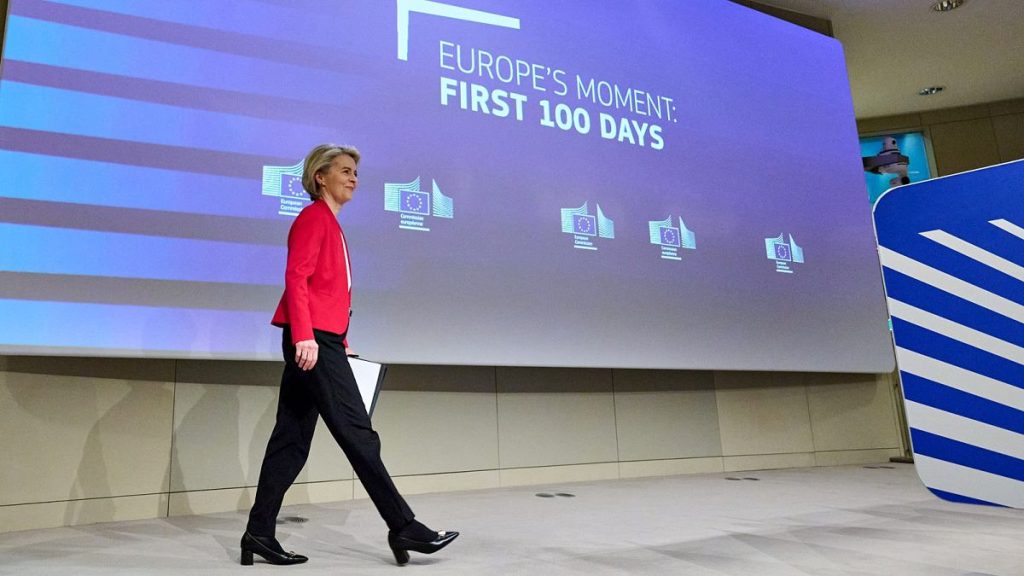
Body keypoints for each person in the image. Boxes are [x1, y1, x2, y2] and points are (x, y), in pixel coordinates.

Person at [241, 144, 458, 566]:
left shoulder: (330, 223)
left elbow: (325, 292)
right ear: (320, 176)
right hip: (312, 342)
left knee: (290, 442)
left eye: (356, 172)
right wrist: (307, 336)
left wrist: (340, 340)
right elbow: (296, 277)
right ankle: (403, 525)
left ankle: (258, 534)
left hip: (323, 340)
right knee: (358, 434)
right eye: (344, 170)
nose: (354, 178)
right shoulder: (312, 218)